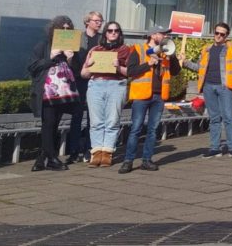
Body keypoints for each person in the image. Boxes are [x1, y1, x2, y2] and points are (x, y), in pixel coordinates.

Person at [119, 25, 181, 173]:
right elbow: (131, 71)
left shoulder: (166, 52)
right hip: (141, 96)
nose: (166, 37)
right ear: (153, 35)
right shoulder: (138, 49)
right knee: (135, 129)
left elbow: (175, 71)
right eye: (162, 34)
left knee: (153, 130)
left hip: (159, 96)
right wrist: (148, 64)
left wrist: (173, 57)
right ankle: (128, 161)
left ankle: (147, 160)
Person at [182, 22, 232, 159]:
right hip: (208, 86)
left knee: (228, 117)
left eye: (222, 34)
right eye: (216, 33)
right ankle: (215, 148)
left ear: (226, 36)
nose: (218, 36)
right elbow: (200, 68)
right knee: (214, 118)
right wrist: (186, 62)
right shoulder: (206, 49)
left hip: (224, 86)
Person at [27, 15, 81, 171]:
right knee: (48, 124)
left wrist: (71, 59)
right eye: (61, 28)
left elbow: (77, 71)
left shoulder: (71, 48)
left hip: (64, 92)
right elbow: (32, 67)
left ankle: (41, 159)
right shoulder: (43, 45)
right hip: (47, 92)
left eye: (67, 28)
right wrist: (50, 57)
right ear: (54, 30)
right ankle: (51, 158)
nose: (65, 31)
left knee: (54, 125)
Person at [80, 20, 134, 168]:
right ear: (105, 33)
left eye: (116, 31)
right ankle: (96, 153)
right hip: (96, 85)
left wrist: (118, 67)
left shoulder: (126, 50)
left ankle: (107, 153)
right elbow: (83, 74)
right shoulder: (95, 49)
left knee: (112, 121)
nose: (113, 33)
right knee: (96, 121)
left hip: (116, 86)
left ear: (119, 33)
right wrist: (88, 65)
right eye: (110, 31)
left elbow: (130, 72)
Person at [65, 11, 102, 164]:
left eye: (100, 21)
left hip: (96, 80)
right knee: (77, 116)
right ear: (87, 22)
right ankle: (73, 151)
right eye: (96, 20)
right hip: (79, 80)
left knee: (93, 117)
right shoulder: (78, 37)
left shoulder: (102, 39)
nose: (99, 23)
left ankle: (89, 149)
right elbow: (71, 61)